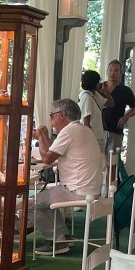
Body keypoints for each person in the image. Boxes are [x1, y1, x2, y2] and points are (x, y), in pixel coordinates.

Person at [32, 99, 103, 255]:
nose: (51, 120)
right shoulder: (82, 129)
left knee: (35, 203)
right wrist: (43, 136)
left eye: (52, 115)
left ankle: (56, 241)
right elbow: (53, 150)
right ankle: (62, 236)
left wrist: (41, 136)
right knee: (46, 197)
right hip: (89, 188)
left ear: (62, 115)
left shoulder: (69, 131)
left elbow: (47, 158)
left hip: (78, 190)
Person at [102, 59, 135, 158]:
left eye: (116, 70)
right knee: (97, 159)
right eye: (110, 70)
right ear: (107, 71)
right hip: (99, 129)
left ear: (120, 73)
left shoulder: (125, 91)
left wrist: (126, 116)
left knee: (112, 160)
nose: (112, 73)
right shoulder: (100, 87)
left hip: (116, 129)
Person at [78, 69, 112, 155]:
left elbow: (111, 104)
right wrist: (90, 140)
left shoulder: (94, 95)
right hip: (92, 138)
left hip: (97, 136)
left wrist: (105, 92)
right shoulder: (86, 97)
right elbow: (86, 122)